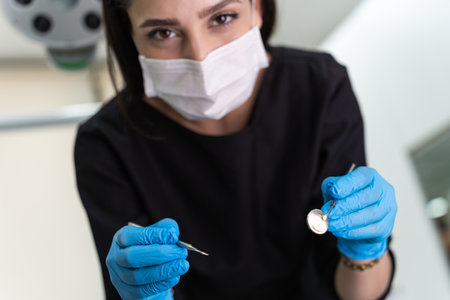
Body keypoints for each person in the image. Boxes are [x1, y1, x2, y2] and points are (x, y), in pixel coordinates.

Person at [74, 0, 397, 299]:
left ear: (256, 7)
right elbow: (132, 281)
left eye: (222, 17)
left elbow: (358, 293)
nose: (201, 57)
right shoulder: (105, 144)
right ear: (129, 35)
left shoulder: (320, 87)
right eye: (164, 32)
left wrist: (365, 250)